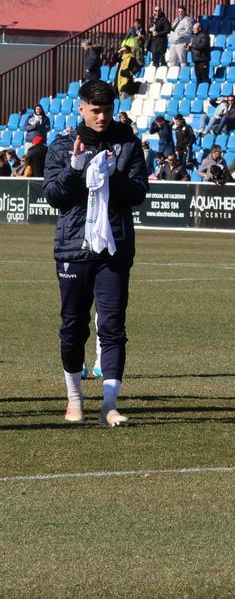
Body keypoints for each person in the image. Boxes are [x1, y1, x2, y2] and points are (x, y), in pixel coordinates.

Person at [42, 80, 148, 427]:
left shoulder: (128, 144)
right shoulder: (61, 146)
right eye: (96, 110)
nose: (102, 117)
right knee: (73, 327)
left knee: (113, 327)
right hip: (73, 247)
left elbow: (137, 193)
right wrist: (75, 168)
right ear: (82, 108)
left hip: (114, 249)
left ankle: (109, 405)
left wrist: (112, 174)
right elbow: (54, 196)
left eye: (107, 110)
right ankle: (74, 399)